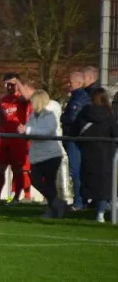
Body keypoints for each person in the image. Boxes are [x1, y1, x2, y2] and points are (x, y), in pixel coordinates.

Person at [18, 90, 66, 218]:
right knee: (35, 180)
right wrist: (24, 131)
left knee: (49, 183)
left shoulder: (50, 115)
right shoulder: (33, 115)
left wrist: (27, 130)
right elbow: (30, 129)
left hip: (51, 154)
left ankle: (53, 210)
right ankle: (58, 204)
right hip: (37, 155)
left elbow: (48, 132)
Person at [75, 88, 118, 223]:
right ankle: (101, 213)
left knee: (89, 180)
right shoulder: (109, 115)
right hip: (106, 154)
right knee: (105, 184)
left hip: (88, 152)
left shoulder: (84, 112)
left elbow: (75, 129)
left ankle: (86, 205)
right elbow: (115, 133)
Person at [0, 73, 32, 204]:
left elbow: (27, 96)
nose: (7, 86)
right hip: (4, 138)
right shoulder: (3, 99)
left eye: (10, 84)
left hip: (17, 138)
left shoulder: (21, 98)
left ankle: (17, 197)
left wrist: (18, 83)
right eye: (5, 84)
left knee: (18, 168)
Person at [60, 72, 91, 211]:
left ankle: (79, 202)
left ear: (78, 83)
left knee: (76, 170)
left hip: (74, 138)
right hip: (72, 138)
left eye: (70, 82)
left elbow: (72, 118)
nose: (68, 85)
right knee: (76, 170)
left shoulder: (79, 97)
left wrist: (63, 118)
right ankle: (80, 200)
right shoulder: (76, 97)